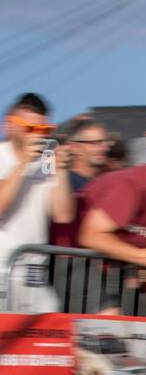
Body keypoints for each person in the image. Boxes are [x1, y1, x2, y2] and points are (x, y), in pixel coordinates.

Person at [0, 93, 75, 310]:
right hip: (4, 270)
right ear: (9, 126)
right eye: (29, 129)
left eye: (44, 130)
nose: (37, 136)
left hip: (35, 273)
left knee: (52, 337)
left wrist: (61, 171)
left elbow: (63, 214)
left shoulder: (46, 160)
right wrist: (24, 162)